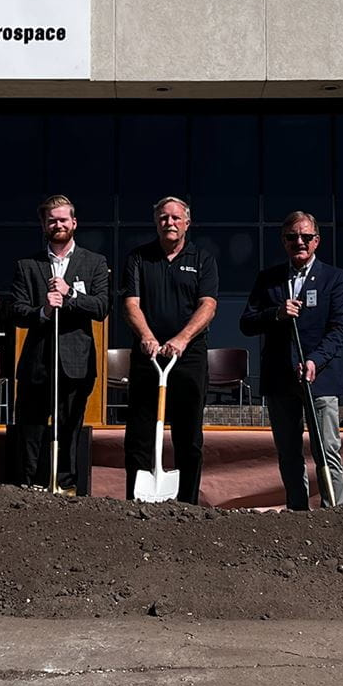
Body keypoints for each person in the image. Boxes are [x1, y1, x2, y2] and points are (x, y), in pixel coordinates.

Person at [240, 211, 343, 509]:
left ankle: (334, 513)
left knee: (327, 449)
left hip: (320, 378)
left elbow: (339, 329)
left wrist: (315, 360)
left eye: (305, 237)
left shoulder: (335, 278)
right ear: (283, 241)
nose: (298, 242)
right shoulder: (269, 279)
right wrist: (275, 313)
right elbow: (247, 323)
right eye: (292, 237)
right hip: (280, 379)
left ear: (317, 240)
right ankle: (297, 514)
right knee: (288, 452)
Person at [9, 195, 110, 492]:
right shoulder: (28, 265)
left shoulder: (94, 262)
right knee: (32, 426)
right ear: (44, 225)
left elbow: (102, 307)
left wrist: (71, 296)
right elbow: (15, 310)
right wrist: (42, 311)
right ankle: (31, 484)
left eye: (63, 219)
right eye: (52, 220)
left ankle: (64, 484)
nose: (58, 224)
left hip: (76, 362)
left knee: (69, 426)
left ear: (74, 223)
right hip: (37, 361)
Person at [120, 196, 218, 504]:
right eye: (163, 218)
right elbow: (131, 304)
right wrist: (147, 336)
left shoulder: (202, 259)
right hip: (148, 357)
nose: (170, 223)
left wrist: (182, 339)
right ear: (156, 223)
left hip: (187, 356)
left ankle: (187, 503)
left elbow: (208, 305)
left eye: (176, 218)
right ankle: (137, 501)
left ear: (187, 223)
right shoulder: (139, 258)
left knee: (189, 434)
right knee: (139, 433)